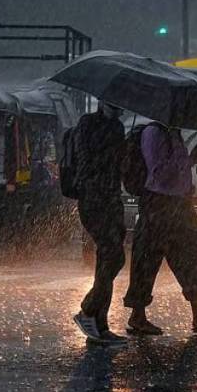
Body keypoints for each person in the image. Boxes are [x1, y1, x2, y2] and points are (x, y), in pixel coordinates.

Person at [124, 123, 197, 335]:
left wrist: (191, 161)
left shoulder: (174, 134)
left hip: (180, 204)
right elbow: (160, 172)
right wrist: (189, 160)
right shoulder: (154, 134)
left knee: (190, 256)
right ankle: (137, 315)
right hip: (159, 204)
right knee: (147, 259)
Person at [71, 103, 129, 345]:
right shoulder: (88, 123)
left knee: (108, 258)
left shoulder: (117, 127)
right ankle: (88, 310)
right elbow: (88, 159)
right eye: (114, 105)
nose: (119, 110)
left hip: (112, 198)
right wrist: (115, 150)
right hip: (94, 198)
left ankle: (100, 323)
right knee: (113, 256)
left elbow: (118, 167)